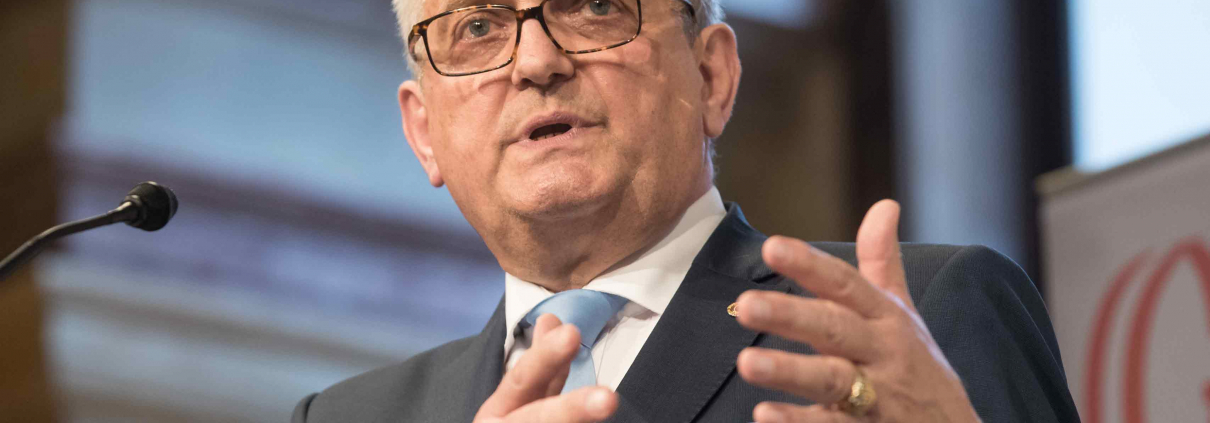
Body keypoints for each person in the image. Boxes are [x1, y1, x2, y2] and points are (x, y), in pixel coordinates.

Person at [292, 0, 1079, 421]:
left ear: (712, 76)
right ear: (424, 133)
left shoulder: (913, 321)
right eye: (476, 27)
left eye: (593, 6)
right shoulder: (343, 418)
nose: (536, 61)